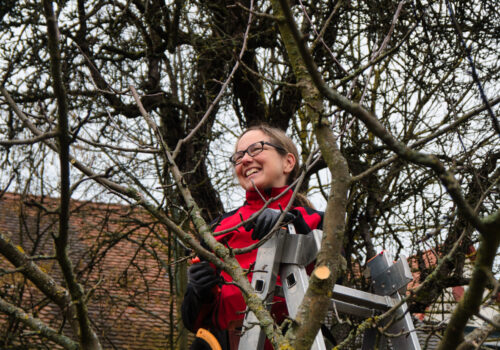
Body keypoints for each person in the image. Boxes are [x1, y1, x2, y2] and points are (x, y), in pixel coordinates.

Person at [182, 124, 323, 350]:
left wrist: (289, 221)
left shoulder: (314, 221)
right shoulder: (217, 228)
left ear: (288, 162)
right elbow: (193, 321)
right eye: (238, 156)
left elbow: (335, 276)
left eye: (256, 149)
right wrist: (199, 292)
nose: (245, 160)